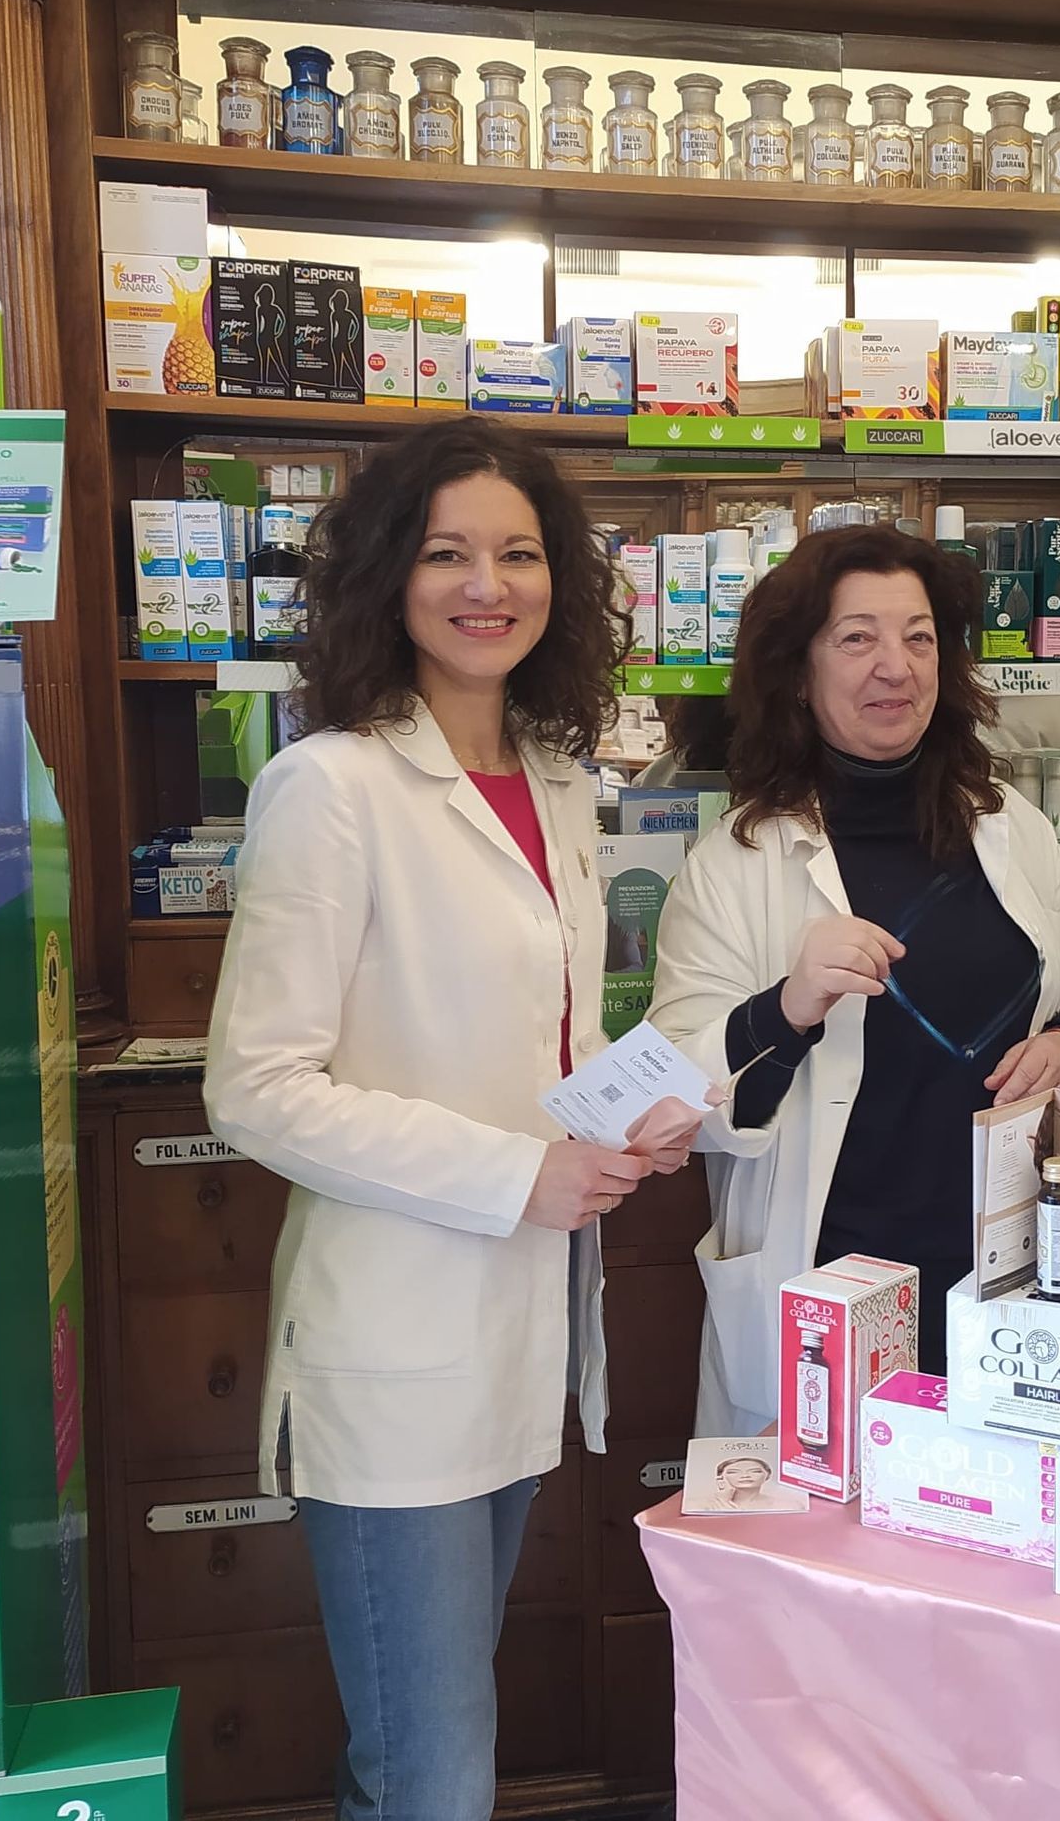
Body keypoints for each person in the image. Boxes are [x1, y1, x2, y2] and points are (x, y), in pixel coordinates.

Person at [204, 417, 698, 1821]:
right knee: (431, 1775)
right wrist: (519, 1176)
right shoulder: (331, 787)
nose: (489, 584)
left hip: (514, 1337)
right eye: (447, 553)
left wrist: (631, 1107)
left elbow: (542, 1029)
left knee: (440, 1749)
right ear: (386, 576)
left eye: (521, 554)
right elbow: (256, 1086)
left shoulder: (558, 783)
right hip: (394, 1350)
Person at [648, 524, 1060, 1430]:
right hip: (830, 1271)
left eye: (918, 637)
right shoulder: (736, 861)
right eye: (857, 637)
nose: (895, 667)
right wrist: (788, 1009)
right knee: (831, 1552)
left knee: (1000, 1540)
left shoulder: (1010, 825)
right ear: (799, 670)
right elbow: (679, 1105)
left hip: (1007, 1263)